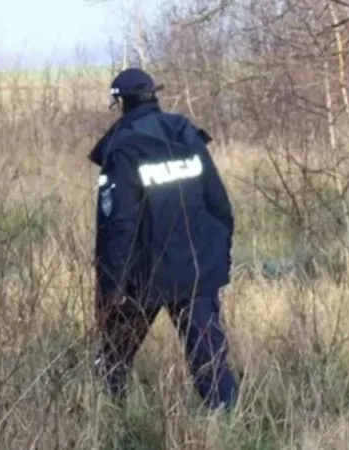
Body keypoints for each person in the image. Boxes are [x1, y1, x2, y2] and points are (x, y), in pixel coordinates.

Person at [88, 67, 239, 411]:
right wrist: (218, 259)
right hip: (197, 268)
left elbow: (118, 225)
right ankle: (227, 418)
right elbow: (219, 203)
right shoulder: (186, 133)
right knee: (209, 358)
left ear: (120, 103)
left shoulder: (123, 147)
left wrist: (112, 285)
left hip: (144, 274)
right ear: (153, 96)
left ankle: (110, 415)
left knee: (114, 356)